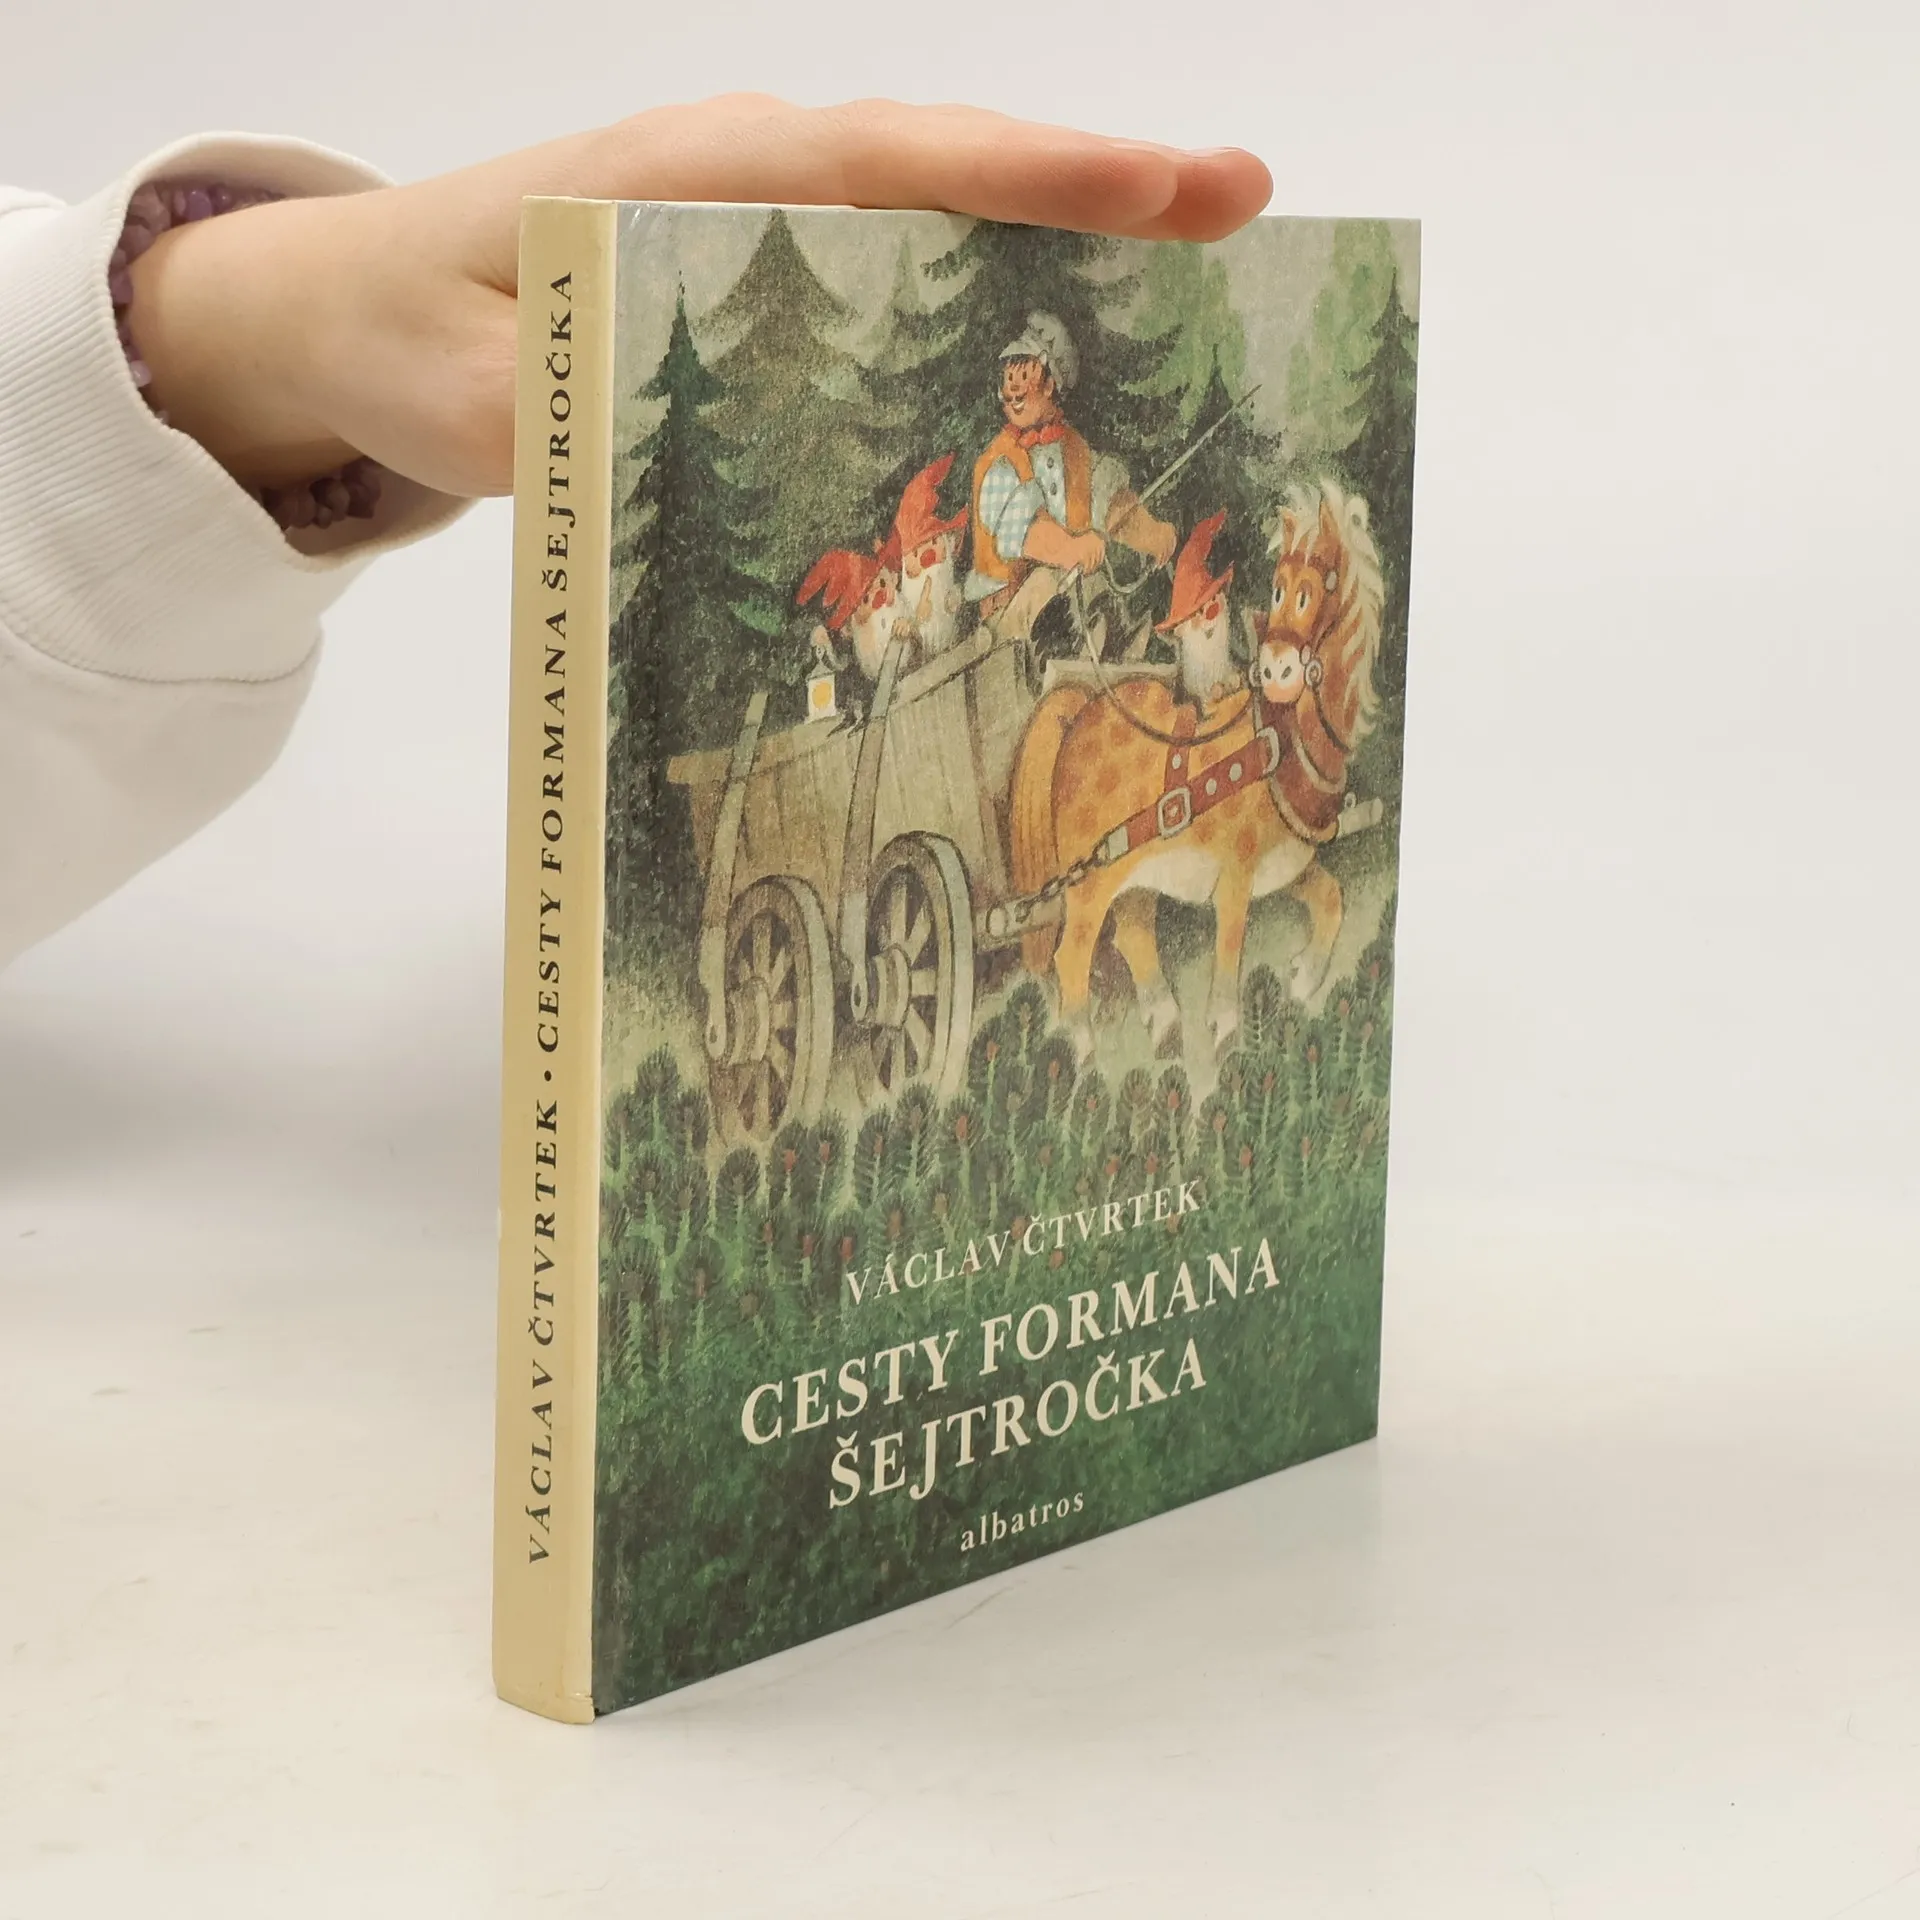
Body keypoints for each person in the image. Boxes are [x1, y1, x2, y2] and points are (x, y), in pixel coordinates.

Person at [0, 98, 1270, 972]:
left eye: (1033, 379)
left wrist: (1155, 544)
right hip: (1000, 631)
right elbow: (1009, 548)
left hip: (1081, 630)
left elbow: (1127, 520)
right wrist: (217, 339)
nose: (1020, 392)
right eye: (1011, 378)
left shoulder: (1083, 461)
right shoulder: (998, 471)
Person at [965, 309, 1179, 643]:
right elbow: (1024, 532)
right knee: (1048, 585)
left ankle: (1116, 647)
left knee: (1094, 587)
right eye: (1009, 380)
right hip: (1007, 620)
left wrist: (1152, 534)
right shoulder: (1000, 461)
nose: (1013, 391)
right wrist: (1070, 547)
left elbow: (1112, 506)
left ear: (1050, 384)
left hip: (1070, 597)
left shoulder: (1075, 451)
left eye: (1024, 376)